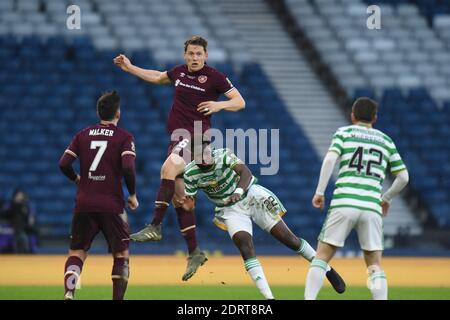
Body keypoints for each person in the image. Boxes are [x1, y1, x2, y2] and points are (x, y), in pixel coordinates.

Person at [113, 36, 245, 281]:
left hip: (196, 136)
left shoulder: (215, 76)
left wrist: (219, 106)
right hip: (177, 138)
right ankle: (195, 252)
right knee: (181, 199)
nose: (194, 58)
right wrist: (130, 67)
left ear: (205, 56)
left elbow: (240, 101)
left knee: (168, 168)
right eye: (191, 54)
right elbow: (157, 77)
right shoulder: (179, 73)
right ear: (185, 55)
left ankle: (155, 226)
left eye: (198, 54)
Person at [183, 137, 346, 299]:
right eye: (199, 154)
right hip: (230, 210)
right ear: (192, 156)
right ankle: (269, 298)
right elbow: (190, 203)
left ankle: (327, 270)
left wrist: (237, 192)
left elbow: (245, 172)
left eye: (205, 150)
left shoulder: (223, 155)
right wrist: (188, 205)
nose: (204, 156)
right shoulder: (190, 173)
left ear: (209, 148)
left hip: (251, 197)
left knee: (290, 240)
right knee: (245, 247)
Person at [304, 97, 409, 300]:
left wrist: (319, 192)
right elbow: (403, 177)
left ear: (353, 115)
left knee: (322, 257)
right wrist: (385, 198)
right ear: (375, 118)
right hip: (371, 207)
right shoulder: (386, 140)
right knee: (374, 264)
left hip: (344, 202)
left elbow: (330, 159)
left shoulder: (344, 133)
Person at [58, 91, 138, 300]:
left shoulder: (83, 134)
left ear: (98, 112)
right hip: (112, 204)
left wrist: (77, 179)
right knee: (121, 255)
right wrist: (133, 194)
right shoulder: (124, 137)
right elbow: (128, 168)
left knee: (77, 252)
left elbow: (63, 163)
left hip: (84, 203)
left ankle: (69, 293)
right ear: (118, 113)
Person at [0, 188, 36, 253]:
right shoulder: (10, 206)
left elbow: (30, 220)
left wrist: (30, 222)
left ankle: (26, 251)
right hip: (10, 228)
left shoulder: (26, 207)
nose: (19, 198)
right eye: (18, 196)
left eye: (21, 196)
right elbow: (3, 215)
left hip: (23, 228)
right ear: (14, 196)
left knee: (23, 236)